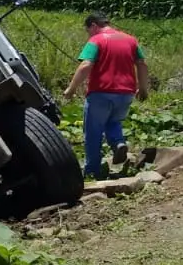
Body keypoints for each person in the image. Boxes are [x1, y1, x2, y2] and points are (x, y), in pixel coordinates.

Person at [62, 13, 149, 179]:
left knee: (93, 132)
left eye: (89, 31)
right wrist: (143, 88)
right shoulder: (130, 40)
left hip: (101, 93)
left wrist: (71, 89)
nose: (89, 34)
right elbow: (142, 64)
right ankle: (118, 143)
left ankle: (92, 172)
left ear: (94, 25)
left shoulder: (96, 40)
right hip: (126, 93)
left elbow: (86, 64)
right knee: (113, 121)